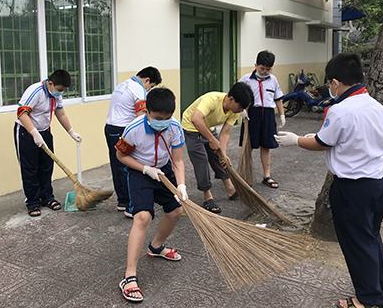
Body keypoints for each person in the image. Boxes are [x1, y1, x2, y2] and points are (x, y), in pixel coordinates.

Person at [275, 53, 383, 308]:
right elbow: (349, 138)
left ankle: (369, 299)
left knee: (356, 241)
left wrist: (296, 140)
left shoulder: (341, 110)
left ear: (335, 82)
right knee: (370, 234)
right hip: (376, 181)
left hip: (352, 187)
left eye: (329, 83)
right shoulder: (375, 106)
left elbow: (321, 143)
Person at [115, 87, 187, 303]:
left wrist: (181, 185)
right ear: (147, 112)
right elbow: (120, 156)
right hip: (140, 172)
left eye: (167, 118)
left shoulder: (175, 127)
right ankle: (129, 276)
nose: (163, 122)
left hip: (163, 171)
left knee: (176, 211)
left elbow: (178, 160)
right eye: (158, 118)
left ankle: (156, 247)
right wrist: (145, 169)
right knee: (143, 217)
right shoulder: (133, 129)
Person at [14, 70, 83, 217]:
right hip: (26, 132)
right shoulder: (35, 91)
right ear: (50, 83)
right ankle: (32, 202)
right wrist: (34, 133)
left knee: (46, 166)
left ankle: (47, 197)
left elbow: (60, 113)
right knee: (30, 168)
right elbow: (21, 113)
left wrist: (71, 132)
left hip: (45, 131)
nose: (60, 93)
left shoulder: (55, 94)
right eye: (59, 89)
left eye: (63, 90)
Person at [181, 82, 253, 214]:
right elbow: (196, 119)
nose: (241, 110)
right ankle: (207, 196)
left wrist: (223, 154)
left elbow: (225, 133)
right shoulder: (212, 99)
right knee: (201, 160)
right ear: (231, 99)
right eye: (240, 107)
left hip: (208, 127)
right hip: (191, 127)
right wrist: (212, 139)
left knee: (218, 158)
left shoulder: (234, 111)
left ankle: (230, 188)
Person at [104, 67, 162, 218]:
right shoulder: (138, 89)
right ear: (147, 80)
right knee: (129, 166)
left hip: (110, 128)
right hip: (122, 130)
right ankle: (132, 206)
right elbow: (141, 116)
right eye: (151, 86)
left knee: (117, 165)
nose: (149, 89)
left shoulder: (123, 84)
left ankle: (123, 201)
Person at [239, 50, 286, 189]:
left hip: (268, 115)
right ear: (255, 65)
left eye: (268, 69)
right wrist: (242, 110)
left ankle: (267, 176)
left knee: (266, 145)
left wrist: (282, 114)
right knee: (248, 145)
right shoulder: (246, 79)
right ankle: (244, 174)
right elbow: (237, 96)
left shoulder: (273, 80)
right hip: (251, 114)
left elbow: (278, 98)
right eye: (262, 68)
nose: (265, 71)